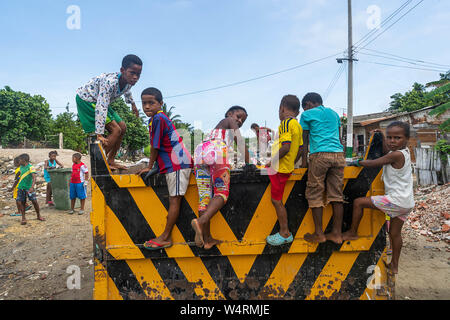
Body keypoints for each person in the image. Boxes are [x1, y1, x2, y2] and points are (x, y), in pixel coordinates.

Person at [343, 122, 414, 274]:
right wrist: (381, 136)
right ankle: (394, 265)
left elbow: (374, 163)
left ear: (407, 138)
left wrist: (356, 162)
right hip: (407, 202)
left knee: (358, 202)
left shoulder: (396, 155)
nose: (392, 141)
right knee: (395, 234)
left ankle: (352, 232)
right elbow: (386, 150)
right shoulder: (404, 153)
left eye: (397, 138)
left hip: (395, 200)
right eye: (389, 137)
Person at [137, 87, 193, 250]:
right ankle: (165, 235)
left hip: (176, 165)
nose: (147, 106)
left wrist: (149, 166)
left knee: (174, 201)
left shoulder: (158, 119)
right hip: (174, 164)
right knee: (174, 200)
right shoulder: (157, 119)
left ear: (160, 103)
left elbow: (155, 146)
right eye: (144, 103)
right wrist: (156, 166)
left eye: (151, 103)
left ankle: (166, 237)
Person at [191, 105, 250, 250]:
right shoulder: (229, 121)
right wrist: (250, 163)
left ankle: (207, 239)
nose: (240, 121)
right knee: (221, 192)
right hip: (216, 150)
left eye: (243, 120)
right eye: (238, 116)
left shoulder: (214, 131)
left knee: (204, 197)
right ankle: (200, 221)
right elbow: (240, 141)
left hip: (200, 152)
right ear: (230, 114)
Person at [76, 54, 143, 169]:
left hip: (100, 100)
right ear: (122, 70)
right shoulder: (110, 83)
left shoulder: (128, 82)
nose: (135, 77)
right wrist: (99, 134)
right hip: (87, 99)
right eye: (132, 73)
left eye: (138, 74)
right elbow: (101, 107)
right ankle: (99, 163)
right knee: (116, 130)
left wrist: (133, 104)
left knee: (123, 127)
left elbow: (127, 92)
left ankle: (111, 160)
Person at [300, 92, 345, 244]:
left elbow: (304, 142)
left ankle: (319, 234)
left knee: (314, 192)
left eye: (304, 107)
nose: (304, 111)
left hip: (319, 155)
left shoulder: (307, 115)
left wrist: (304, 164)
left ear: (308, 104)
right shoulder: (334, 114)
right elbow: (339, 139)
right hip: (338, 155)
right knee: (337, 195)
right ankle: (337, 234)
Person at [265, 95, 303, 246]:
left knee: (276, 200)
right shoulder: (298, 126)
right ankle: (284, 231)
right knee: (278, 199)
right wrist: (291, 164)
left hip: (278, 168)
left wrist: (271, 161)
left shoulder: (286, 123)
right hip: (285, 168)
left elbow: (286, 147)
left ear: (282, 108)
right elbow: (300, 149)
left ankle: (285, 232)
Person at [10, 154, 45, 225]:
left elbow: (34, 178)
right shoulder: (21, 167)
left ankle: (38, 215)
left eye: (19, 160)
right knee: (22, 202)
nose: (18, 161)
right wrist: (13, 187)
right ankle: (23, 218)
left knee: (34, 201)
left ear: (24, 160)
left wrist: (32, 187)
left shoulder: (31, 167)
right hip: (21, 188)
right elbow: (18, 178)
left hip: (29, 188)